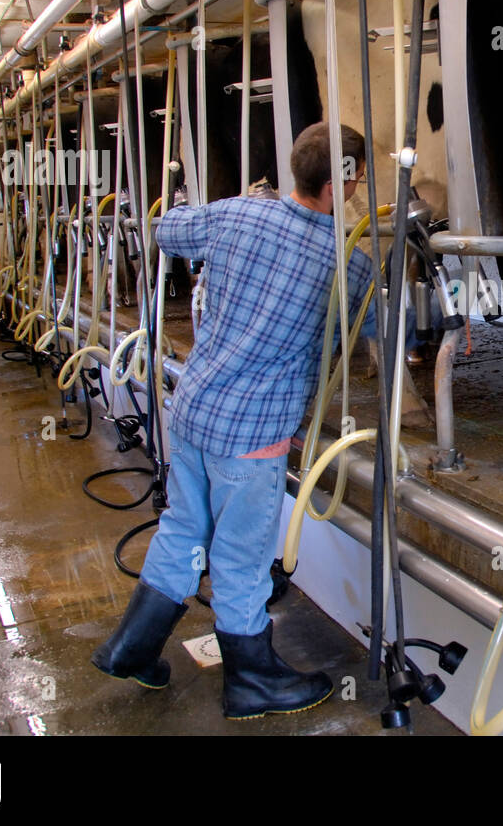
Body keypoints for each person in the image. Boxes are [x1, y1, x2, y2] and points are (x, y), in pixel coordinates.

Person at [91, 122, 375, 720]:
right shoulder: (345, 266)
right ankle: (251, 682)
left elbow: (166, 228)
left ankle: (130, 648)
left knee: (182, 529)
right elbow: (380, 326)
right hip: (252, 438)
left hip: (192, 409)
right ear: (340, 183)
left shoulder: (240, 214)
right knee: (241, 559)